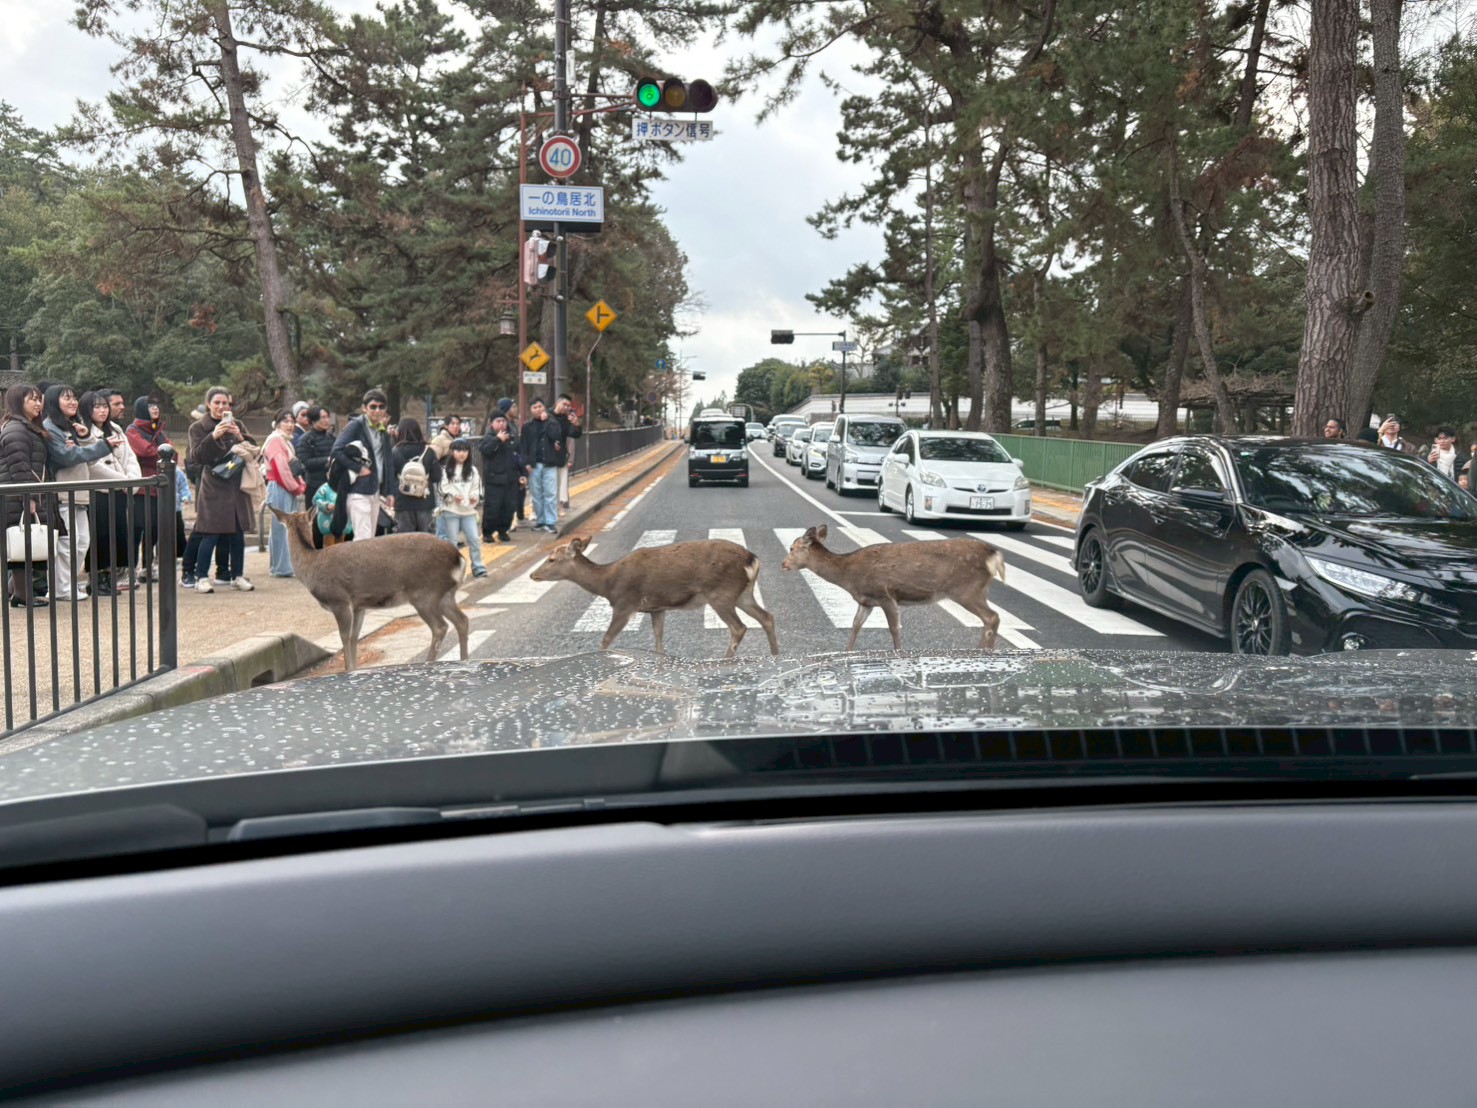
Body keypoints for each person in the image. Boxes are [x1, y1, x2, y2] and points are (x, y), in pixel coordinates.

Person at [42, 384, 114, 601]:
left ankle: (68, 585)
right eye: (67, 398)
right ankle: (60, 588)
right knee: (68, 544)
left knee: (82, 542)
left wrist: (85, 439)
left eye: (74, 398)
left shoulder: (72, 426)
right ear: (55, 402)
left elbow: (90, 458)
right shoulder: (50, 427)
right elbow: (66, 456)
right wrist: (102, 446)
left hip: (79, 493)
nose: (73, 402)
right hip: (64, 493)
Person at [187, 387, 258, 593]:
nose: (221, 407)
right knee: (210, 532)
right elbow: (197, 457)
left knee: (237, 533)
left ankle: (237, 575)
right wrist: (213, 436)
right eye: (217, 403)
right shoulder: (198, 427)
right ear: (208, 404)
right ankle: (201, 577)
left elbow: (254, 449)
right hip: (214, 485)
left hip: (237, 484)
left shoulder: (238, 424)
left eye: (225, 403)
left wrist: (239, 435)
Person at [1, 383, 58, 608]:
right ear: (18, 402)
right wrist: (30, 496)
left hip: (20, 495)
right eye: (31, 399)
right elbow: (19, 465)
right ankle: (22, 596)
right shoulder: (16, 429)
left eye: (38, 399)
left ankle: (17, 593)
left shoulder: (26, 427)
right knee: (22, 545)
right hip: (18, 496)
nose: (38, 403)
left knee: (24, 544)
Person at [79, 389, 138, 596]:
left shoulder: (116, 429)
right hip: (99, 490)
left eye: (105, 406)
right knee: (100, 536)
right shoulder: (84, 431)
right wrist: (123, 481)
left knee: (118, 534)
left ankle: (110, 577)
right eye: (97, 407)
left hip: (120, 490)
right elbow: (92, 465)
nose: (103, 411)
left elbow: (130, 458)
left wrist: (132, 481)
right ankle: (95, 579)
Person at [331, 389, 395, 541]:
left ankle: (365, 565)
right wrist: (358, 468)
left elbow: (388, 462)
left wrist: (391, 491)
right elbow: (336, 450)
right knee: (362, 539)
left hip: (375, 491)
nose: (377, 410)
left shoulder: (382, 430)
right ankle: (355, 566)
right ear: (364, 408)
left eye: (381, 407)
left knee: (370, 538)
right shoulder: (356, 426)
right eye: (373, 406)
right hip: (358, 491)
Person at [126, 396, 172, 582]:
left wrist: (159, 450)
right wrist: (159, 450)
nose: (155, 408)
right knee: (137, 529)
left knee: (153, 529)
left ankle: (147, 567)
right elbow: (146, 451)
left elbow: (172, 453)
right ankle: (130, 569)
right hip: (140, 488)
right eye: (150, 405)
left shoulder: (158, 429)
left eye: (156, 404)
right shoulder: (133, 430)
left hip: (156, 488)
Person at [264, 409, 307, 577]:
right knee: (282, 528)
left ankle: (282, 565)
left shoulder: (284, 440)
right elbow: (280, 467)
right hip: (280, 486)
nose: (290, 425)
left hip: (284, 486)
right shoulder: (276, 440)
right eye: (285, 421)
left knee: (284, 527)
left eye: (291, 421)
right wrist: (295, 487)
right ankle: (281, 567)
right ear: (277, 423)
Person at [437, 439, 488, 577]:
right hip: (451, 510)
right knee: (451, 542)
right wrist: (454, 496)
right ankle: (453, 569)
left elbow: (477, 488)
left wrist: (474, 497)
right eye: (458, 450)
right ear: (452, 452)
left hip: (468, 511)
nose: (462, 454)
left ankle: (478, 567)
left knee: (474, 539)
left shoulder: (472, 470)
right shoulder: (446, 470)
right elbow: (442, 489)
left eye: (465, 450)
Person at [478, 412, 524, 543]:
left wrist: (523, 474)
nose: (502, 423)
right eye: (498, 421)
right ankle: (488, 532)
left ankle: (503, 530)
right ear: (491, 423)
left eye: (503, 421)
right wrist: (498, 440)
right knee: (493, 507)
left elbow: (519, 457)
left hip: (511, 479)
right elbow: (485, 450)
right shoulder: (488, 438)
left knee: (509, 507)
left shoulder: (513, 437)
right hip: (494, 479)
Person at [519, 397, 563, 534]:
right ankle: (540, 520)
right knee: (536, 494)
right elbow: (523, 446)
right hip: (534, 464)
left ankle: (550, 522)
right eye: (534, 407)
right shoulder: (527, 426)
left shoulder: (552, 422)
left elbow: (556, 436)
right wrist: (525, 462)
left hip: (549, 463)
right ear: (531, 410)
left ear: (544, 408)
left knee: (550, 493)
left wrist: (546, 422)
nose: (538, 409)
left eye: (540, 406)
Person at [391, 418, 440, 535]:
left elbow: (390, 478)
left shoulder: (395, 451)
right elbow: (437, 476)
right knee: (426, 539)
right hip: (425, 500)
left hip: (403, 501)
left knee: (404, 540)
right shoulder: (429, 451)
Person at [297, 406, 335, 504]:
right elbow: (305, 461)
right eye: (323, 417)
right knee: (314, 517)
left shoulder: (331, 437)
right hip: (314, 485)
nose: (326, 420)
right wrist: (327, 459)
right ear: (313, 420)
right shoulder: (305, 439)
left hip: (331, 483)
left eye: (327, 417)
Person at [553, 393, 583, 513]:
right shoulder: (547, 416)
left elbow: (574, 435)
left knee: (561, 483)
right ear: (557, 403)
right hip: (546, 457)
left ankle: (560, 507)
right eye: (564, 404)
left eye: (568, 406)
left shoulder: (567, 420)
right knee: (547, 485)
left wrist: (576, 425)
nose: (566, 407)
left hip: (561, 457)